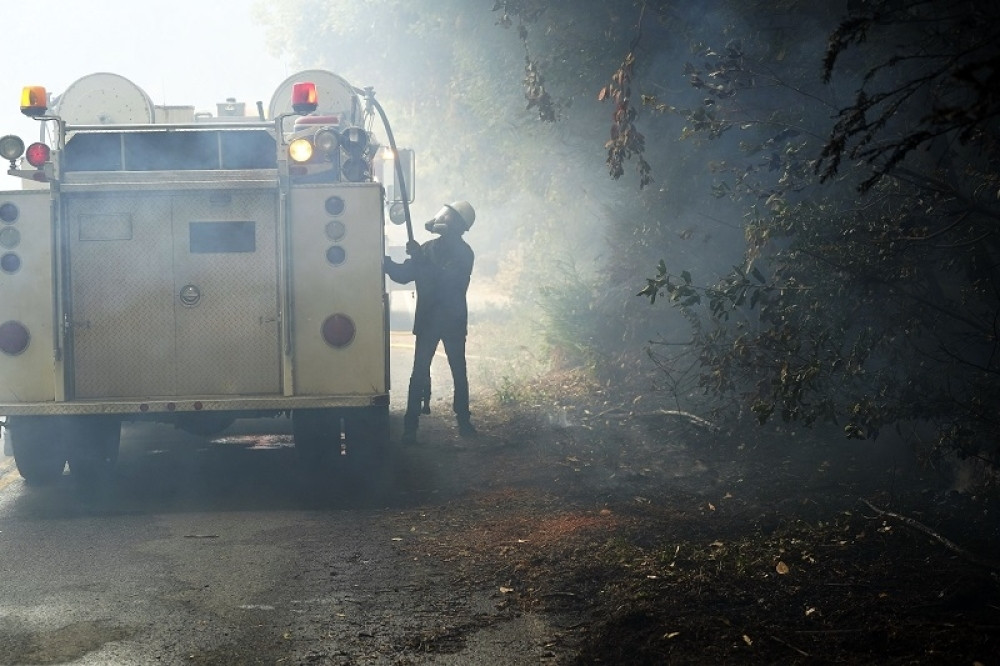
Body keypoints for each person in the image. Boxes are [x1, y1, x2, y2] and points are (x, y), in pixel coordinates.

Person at [384, 200, 477, 445]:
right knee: (419, 372)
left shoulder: (464, 253)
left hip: (451, 319)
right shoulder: (426, 249)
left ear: (459, 224)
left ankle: (464, 421)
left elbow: (447, 280)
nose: (441, 219)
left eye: (448, 217)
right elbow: (404, 276)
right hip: (429, 319)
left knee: (458, 371)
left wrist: (420, 259)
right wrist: (384, 262)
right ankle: (410, 427)